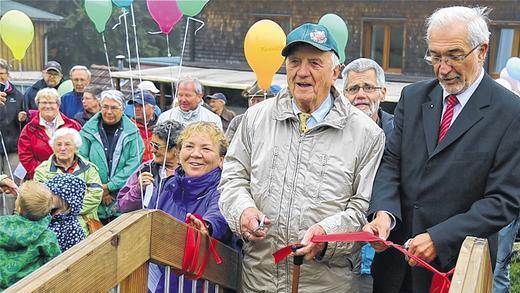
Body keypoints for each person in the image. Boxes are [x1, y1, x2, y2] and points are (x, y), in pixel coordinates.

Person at [363, 6, 520, 293]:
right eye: (435, 56)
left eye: (454, 56)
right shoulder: (413, 97)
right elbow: (391, 164)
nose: (443, 68)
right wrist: (384, 213)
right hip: (395, 266)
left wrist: (439, 237)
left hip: (455, 270)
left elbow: (503, 201)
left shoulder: (510, 113)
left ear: (482, 51)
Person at [219, 23, 385, 292]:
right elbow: (233, 179)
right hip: (258, 280)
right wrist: (242, 212)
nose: (302, 72)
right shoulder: (256, 118)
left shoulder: (367, 134)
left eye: (315, 63)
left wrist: (326, 234)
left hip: (327, 285)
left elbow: (362, 208)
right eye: (294, 62)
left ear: (335, 71)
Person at [147, 122, 232, 292]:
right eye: (189, 146)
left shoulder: (226, 188)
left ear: (221, 159)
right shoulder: (167, 186)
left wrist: (206, 226)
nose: (196, 154)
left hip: (204, 285)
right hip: (161, 284)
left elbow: (219, 217)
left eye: (206, 149)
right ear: (179, 153)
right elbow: (149, 221)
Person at [79, 90, 144, 224]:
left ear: (123, 109)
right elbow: (81, 160)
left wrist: (109, 186)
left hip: (123, 198)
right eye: (105, 107)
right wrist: (99, 188)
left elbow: (133, 164)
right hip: (92, 197)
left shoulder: (133, 133)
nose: (109, 112)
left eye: (114, 107)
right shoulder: (87, 131)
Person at [34, 128, 103, 236]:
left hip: (85, 225)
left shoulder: (89, 168)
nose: (62, 148)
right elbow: (40, 199)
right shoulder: (42, 171)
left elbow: (95, 195)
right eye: (58, 144)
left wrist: (68, 209)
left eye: (67, 144)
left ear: (76, 147)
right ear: (53, 147)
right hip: (52, 227)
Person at [0, 180, 61, 290]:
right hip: (29, 287)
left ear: (19, 208)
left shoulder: (2, 223)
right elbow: (54, 265)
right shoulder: (47, 237)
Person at [118, 120, 184, 212]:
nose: (152, 150)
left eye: (157, 146)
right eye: (151, 144)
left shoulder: (189, 173)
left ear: (176, 149)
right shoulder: (146, 169)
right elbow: (122, 205)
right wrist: (138, 189)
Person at [18, 88, 81, 180]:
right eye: (43, 102)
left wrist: (67, 173)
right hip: (40, 179)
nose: (47, 106)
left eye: (51, 102)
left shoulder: (72, 126)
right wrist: (45, 173)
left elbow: (81, 152)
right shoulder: (29, 130)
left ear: (58, 105)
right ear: (38, 105)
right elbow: (25, 157)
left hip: (71, 178)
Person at [343, 58, 393, 136]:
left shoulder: (399, 132)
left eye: (369, 88)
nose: (360, 95)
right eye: (353, 89)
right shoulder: (330, 131)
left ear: (383, 93)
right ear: (344, 95)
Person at [157, 77, 222, 129]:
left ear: (199, 96)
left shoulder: (212, 120)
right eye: (180, 95)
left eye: (188, 95)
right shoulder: (165, 118)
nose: (183, 99)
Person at [46, 173, 87, 252]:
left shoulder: (72, 228)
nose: (49, 196)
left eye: (54, 193)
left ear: (66, 199)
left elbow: (78, 253)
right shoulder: (46, 215)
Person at [0, 58, 26, 178]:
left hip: (13, 149)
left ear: (8, 75)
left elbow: (25, 120)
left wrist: (24, 117)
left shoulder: (18, 95)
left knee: (12, 185)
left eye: (1, 74)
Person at [129, 91, 159, 162]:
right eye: (135, 105)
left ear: (153, 108)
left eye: (141, 105)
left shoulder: (160, 127)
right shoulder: (129, 127)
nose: (137, 108)